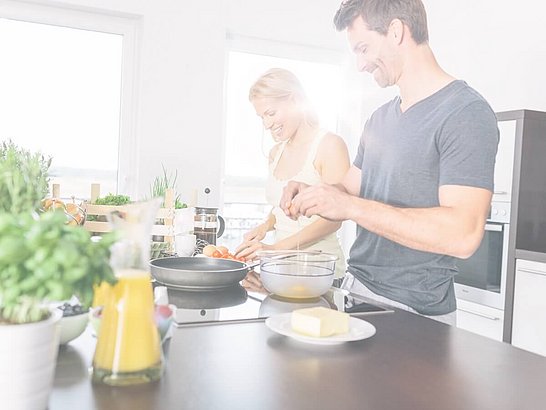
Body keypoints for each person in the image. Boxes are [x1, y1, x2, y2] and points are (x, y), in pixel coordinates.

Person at [280, 0, 499, 325]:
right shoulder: (379, 119)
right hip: (357, 290)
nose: (360, 65)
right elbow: (351, 189)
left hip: (415, 313)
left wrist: (350, 207)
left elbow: (463, 234)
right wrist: (315, 192)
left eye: (364, 48)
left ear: (396, 31)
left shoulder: (465, 113)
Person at [235, 68, 350, 284]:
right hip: (280, 273)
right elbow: (281, 207)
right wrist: (265, 226)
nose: (267, 124)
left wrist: (273, 250)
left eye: (271, 113)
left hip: (320, 275)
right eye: (262, 117)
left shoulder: (329, 145)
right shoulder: (275, 153)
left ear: (295, 100)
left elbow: (335, 219)